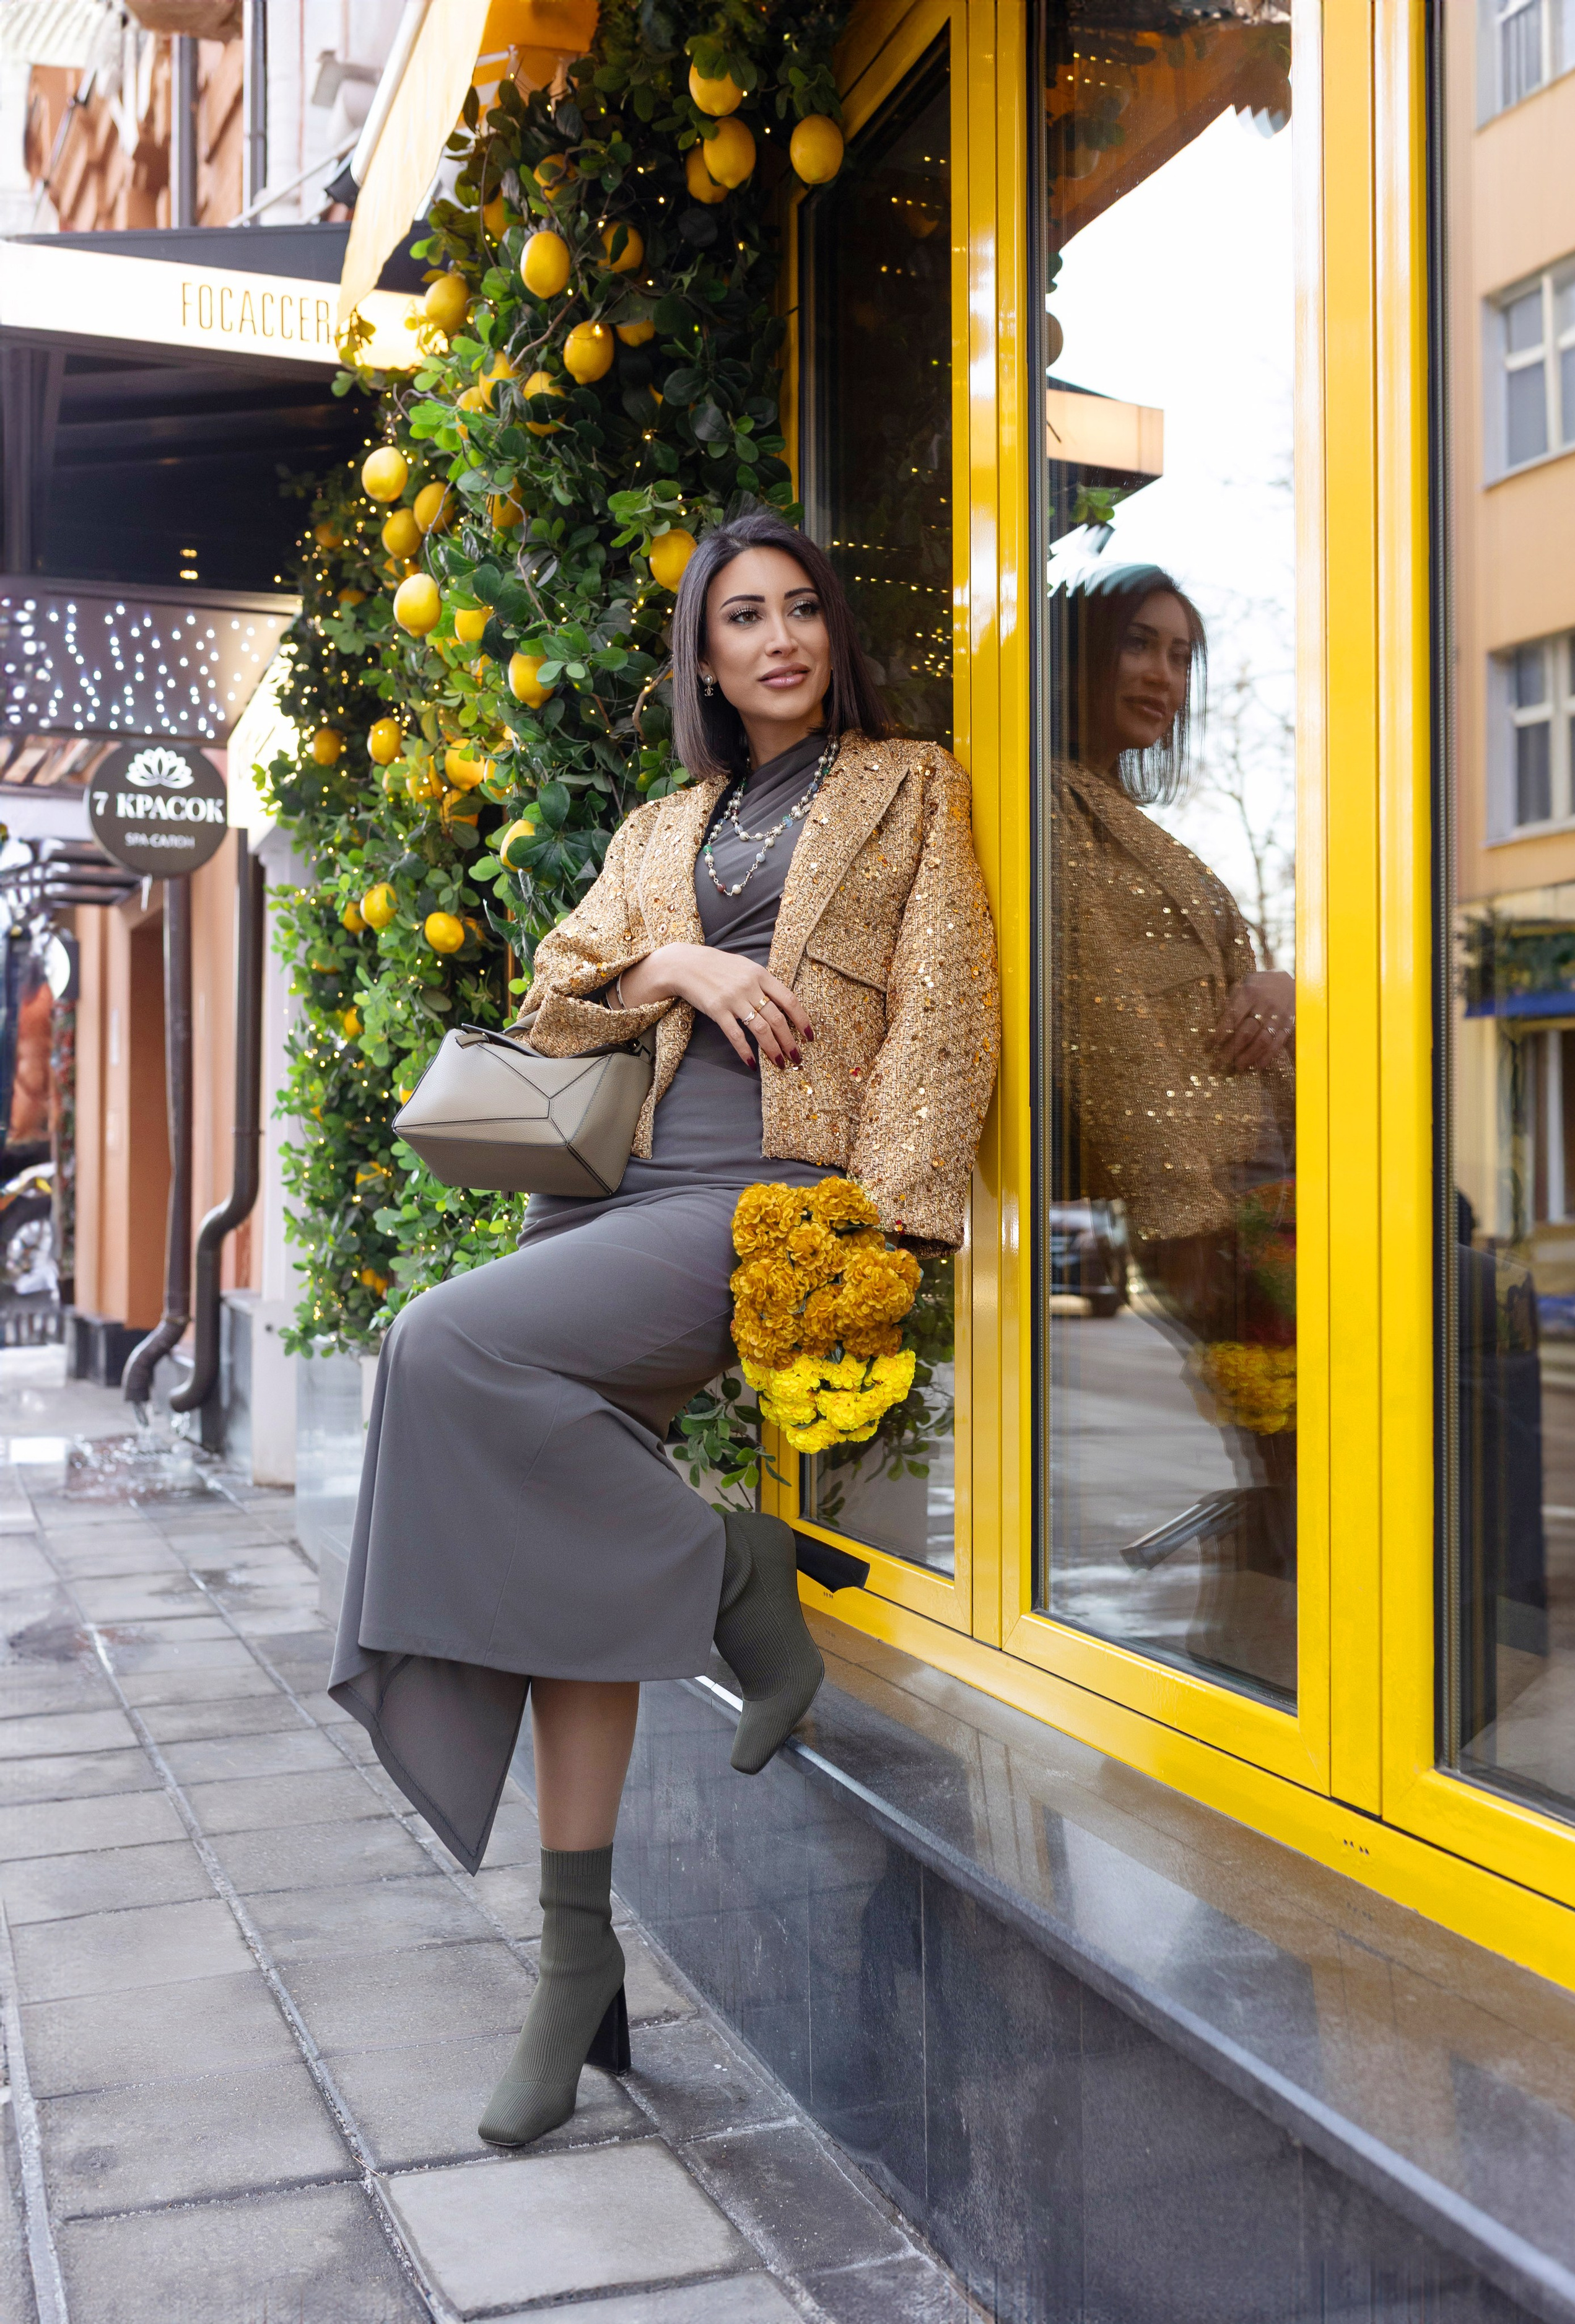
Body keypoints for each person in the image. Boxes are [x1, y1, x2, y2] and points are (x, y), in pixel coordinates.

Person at [329, 507, 999, 2150]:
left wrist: (884, 1230)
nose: (779, 642)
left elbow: (951, 1003)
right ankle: (572, 1959)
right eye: (744, 619)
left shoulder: (911, 785)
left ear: (835, 633)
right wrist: (683, 959)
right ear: (703, 654)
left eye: (802, 613)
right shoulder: (661, 822)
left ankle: (726, 1571)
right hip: (609, 1194)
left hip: (763, 1198)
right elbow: (562, 985)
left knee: (440, 1347)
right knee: (564, 1578)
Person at [1050, 566, 1297, 1687]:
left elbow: (1228, 988)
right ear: (1085, 656)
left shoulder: (1136, 823)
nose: (1164, 675)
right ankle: (1257, 1686)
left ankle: (1258, 1672)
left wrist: (1284, 984)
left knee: (1295, 1454)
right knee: (1290, 1447)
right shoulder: (1045, 805)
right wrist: (1184, 1219)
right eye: (1141, 646)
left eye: (1183, 654)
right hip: (1210, 1194)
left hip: (1262, 1172)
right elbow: (1101, 1024)